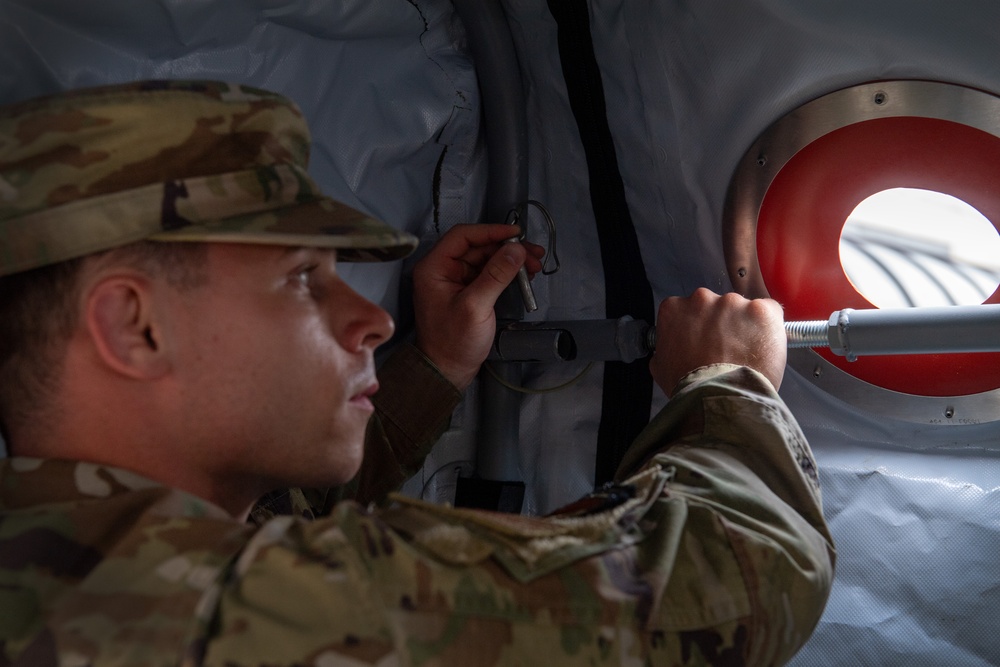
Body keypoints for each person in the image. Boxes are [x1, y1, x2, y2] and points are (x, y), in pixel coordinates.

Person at [0, 80, 834, 666]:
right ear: (133, 325)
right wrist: (729, 387)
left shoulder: (72, 563)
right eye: (301, 280)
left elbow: (295, 514)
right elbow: (739, 582)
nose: (374, 319)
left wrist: (435, 364)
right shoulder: (186, 611)